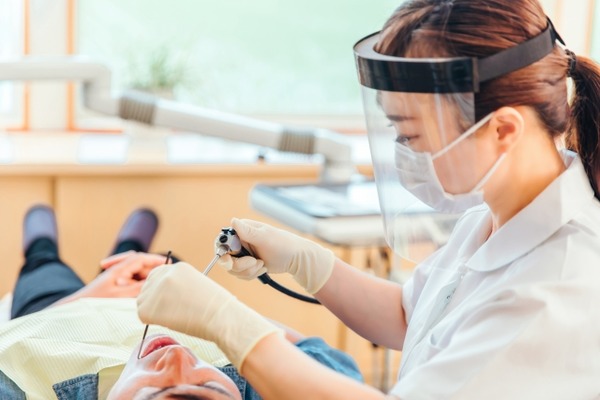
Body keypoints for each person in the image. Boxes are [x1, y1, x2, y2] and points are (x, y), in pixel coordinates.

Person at [136, 0, 600, 399]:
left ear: (502, 130)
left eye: (411, 135)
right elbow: (408, 317)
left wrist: (227, 323)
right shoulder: (495, 216)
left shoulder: (558, 287)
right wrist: (304, 261)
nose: (403, 154)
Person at [0, 205, 362, 400]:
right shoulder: (263, 389)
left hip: (61, 311)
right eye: (210, 386)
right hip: (171, 304)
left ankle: (43, 238)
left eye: (153, 391)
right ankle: (130, 247)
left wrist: (88, 295)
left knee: (43, 266)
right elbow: (329, 367)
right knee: (144, 261)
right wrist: (222, 308)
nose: (176, 358)